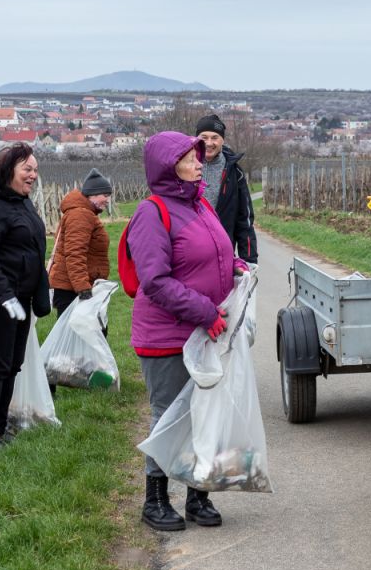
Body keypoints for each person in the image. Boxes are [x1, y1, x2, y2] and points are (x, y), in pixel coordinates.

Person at [127, 130, 248, 531]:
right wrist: (204, 311)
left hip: (203, 332)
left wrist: (235, 269)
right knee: (170, 418)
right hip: (167, 335)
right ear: (169, 165)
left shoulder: (199, 206)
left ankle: (198, 497)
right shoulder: (152, 212)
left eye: (199, 156)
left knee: (204, 416)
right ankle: (155, 500)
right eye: (190, 158)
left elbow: (215, 254)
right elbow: (155, 281)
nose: (200, 163)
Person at [0, 142, 51, 448]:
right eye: (27, 169)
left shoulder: (21, 202)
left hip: (20, 296)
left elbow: (30, 247)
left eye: (35, 170)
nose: (33, 175)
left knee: (13, 363)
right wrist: (5, 296)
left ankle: (0, 426)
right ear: (8, 170)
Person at [48, 167, 112, 317]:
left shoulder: (84, 213)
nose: (107, 200)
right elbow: (75, 252)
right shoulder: (80, 215)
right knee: (84, 335)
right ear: (92, 194)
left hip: (76, 286)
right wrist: (83, 288)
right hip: (72, 290)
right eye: (105, 195)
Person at [195, 114, 258, 264]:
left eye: (214, 137)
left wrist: (249, 262)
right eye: (204, 137)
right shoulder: (183, 168)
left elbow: (244, 221)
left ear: (222, 140)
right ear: (196, 138)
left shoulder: (235, 173)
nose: (209, 143)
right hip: (189, 255)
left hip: (222, 256)